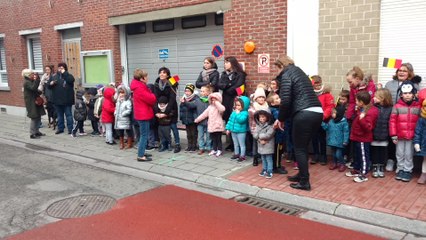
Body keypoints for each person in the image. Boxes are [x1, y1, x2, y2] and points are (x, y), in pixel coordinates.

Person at [273, 56, 323, 191]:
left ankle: (304, 182)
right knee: (303, 146)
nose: (276, 72)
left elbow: (286, 100)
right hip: (317, 112)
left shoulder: (286, 74)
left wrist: (281, 119)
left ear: (281, 66)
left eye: (276, 69)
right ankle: (301, 174)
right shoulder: (299, 72)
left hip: (304, 113)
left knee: (299, 148)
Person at [389, 81, 421, 182]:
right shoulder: (397, 106)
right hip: (399, 135)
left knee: (409, 154)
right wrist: (393, 134)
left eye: (409, 93)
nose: (407, 95)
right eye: (405, 93)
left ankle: (407, 170)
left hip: (412, 136)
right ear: (401, 94)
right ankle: (400, 169)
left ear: (414, 94)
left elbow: (420, 121)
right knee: (399, 153)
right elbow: (392, 121)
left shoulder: (418, 106)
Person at [345, 91, 379, 183]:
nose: (355, 102)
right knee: (357, 155)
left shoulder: (371, 112)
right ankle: (357, 169)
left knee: (363, 156)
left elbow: (368, 127)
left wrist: (361, 119)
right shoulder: (362, 109)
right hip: (357, 136)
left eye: (357, 100)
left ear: (362, 102)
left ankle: (364, 174)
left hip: (363, 138)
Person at [218, 56, 246, 152]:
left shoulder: (240, 74)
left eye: (227, 62)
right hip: (226, 99)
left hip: (235, 99)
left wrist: (228, 87)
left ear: (232, 63)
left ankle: (237, 145)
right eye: (224, 63)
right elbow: (220, 85)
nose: (225, 64)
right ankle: (231, 143)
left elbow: (239, 87)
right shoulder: (223, 74)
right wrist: (229, 85)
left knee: (236, 119)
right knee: (228, 120)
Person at [130, 69, 157, 162]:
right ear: (142, 78)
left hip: (141, 113)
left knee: (143, 134)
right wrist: (152, 93)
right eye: (146, 76)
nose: (147, 78)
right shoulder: (140, 88)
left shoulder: (138, 86)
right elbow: (151, 99)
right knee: (144, 135)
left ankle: (141, 152)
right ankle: (140, 156)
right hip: (143, 114)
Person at [154, 67, 181, 153]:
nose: (161, 74)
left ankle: (177, 144)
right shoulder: (157, 83)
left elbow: (172, 99)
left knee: (173, 127)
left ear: (168, 75)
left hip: (171, 108)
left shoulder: (171, 82)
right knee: (162, 128)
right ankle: (164, 144)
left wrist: (166, 112)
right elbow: (155, 98)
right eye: (160, 72)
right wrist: (157, 111)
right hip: (160, 109)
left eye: (164, 73)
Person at [311, 75, 334, 165]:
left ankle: (323, 156)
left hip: (322, 119)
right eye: (315, 85)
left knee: (322, 138)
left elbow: (330, 107)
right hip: (312, 119)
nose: (317, 87)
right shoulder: (310, 93)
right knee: (314, 138)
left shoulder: (327, 94)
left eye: (318, 84)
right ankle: (316, 155)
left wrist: (323, 116)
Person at [194, 92, 225, 157]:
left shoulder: (219, 107)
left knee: (218, 139)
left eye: (215, 99)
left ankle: (219, 150)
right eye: (212, 99)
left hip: (218, 126)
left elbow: (222, 109)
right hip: (211, 126)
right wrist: (197, 119)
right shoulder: (210, 107)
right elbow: (204, 114)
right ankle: (214, 149)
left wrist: (217, 103)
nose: (213, 101)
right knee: (213, 139)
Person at [47, 62, 75, 134]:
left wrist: (64, 73)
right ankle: (60, 128)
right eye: (59, 68)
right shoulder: (54, 76)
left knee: (68, 115)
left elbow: (71, 80)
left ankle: (70, 129)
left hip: (67, 100)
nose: (60, 69)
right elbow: (48, 86)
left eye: (62, 68)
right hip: (57, 100)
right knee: (59, 115)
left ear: (65, 68)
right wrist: (51, 84)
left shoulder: (68, 76)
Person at [371, 88, 393, 178]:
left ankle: (381, 166)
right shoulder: (373, 107)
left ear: (383, 98)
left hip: (384, 134)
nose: (374, 98)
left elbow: (390, 122)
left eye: (376, 97)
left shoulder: (390, 109)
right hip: (374, 133)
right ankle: (375, 166)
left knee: (382, 151)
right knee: (375, 151)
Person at [321, 105, 349, 172]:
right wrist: (322, 123)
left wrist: (345, 140)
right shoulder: (331, 121)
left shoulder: (344, 123)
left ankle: (342, 164)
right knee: (333, 154)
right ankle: (335, 163)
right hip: (332, 141)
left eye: (334, 113)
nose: (332, 114)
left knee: (338, 154)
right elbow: (327, 128)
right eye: (332, 113)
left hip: (340, 142)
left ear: (339, 113)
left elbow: (346, 132)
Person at [248, 88, 270, 165]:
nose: (261, 99)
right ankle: (255, 157)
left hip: (265, 129)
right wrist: (252, 130)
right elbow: (251, 121)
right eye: (259, 97)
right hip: (256, 129)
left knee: (264, 142)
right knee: (255, 143)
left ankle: (263, 155)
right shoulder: (252, 108)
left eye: (263, 97)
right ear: (256, 98)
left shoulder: (267, 106)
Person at [267, 93, 288, 174]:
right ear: (272, 103)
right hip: (278, 136)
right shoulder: (274, 110)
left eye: (279, 97)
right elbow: (279, 118)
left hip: (280, 134)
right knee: (277, 152)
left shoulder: (277, 109)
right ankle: (276, 167)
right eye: (276, 99)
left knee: (279, 151)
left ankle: (277, 164)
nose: (279, 99)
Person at [23, 69, 46, 139]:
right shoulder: (26, 82)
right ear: (28, 75)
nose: (33, 75)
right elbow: (33, 88)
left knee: (38, 116)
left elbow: (35, 90)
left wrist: (39, 91)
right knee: (34, 117)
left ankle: (37, 131)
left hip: (35, 101)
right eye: (32, 74)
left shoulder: (30, 81)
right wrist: (37, 80)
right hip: (31, 102)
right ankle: (32, 134)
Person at [226, 96, 250, 162]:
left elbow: (241, 120)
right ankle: (236, 154)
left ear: (244, 106)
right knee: (235, 143)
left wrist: (237, 114)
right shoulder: (234, 112)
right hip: (233, 131)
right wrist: (228, 128)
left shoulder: (245, 113)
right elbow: (230, 121)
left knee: (241, 144)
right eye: (236, 105)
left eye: (239, 105)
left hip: (241, 131)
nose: (237, 107)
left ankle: (242, 156)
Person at [253, 110, 275, 179]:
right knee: (263, 158)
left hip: (268, 145)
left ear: (267, 117)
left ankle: (270, 170)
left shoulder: (270, 125)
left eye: (263, 117)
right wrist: (259, 139)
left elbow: (269, 134)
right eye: (260, 117)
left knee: (268, 158)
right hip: (261, 144)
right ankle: (264, 169)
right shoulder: (258, 125)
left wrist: (259, 136)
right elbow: (255, 134)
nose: (261, 119)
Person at [180, 84, 199, 152]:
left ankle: (194, 145)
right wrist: (181, 117)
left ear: (192, 91)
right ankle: (189, 145)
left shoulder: (196, 98)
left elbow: (192, 106)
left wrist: (184, 102)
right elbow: (181, 108)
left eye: (188, 91)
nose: (186, 93)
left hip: (193, 119)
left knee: (193, 133)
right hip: (186, 119)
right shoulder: (184, 98)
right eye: (185, 91)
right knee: (188, 134)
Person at [194, 85, 212, 155]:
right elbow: (193, 108)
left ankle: (209, 147)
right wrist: (185, 102)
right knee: (200, 136)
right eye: (201, 91)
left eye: (203, 91)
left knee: (208, 136)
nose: (201, 92)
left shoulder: (210, 101)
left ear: (208, 92)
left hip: (208, 122)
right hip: (200, 122)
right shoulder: (198, 100)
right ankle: (201, 148)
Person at [114, 85, 133, 149]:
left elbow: (129, 110)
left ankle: (129, 143)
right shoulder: (118, 101)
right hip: (119, 119)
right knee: (120, 132)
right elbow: (116, 108)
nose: (121, 94)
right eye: (120, 93)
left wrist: (123, 114)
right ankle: (121, 143)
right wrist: (115, 112)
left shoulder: (127, 101)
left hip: (125, 119)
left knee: (128, 131)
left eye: (123, 93)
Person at [413, 99, 426, 184]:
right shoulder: (422, 120)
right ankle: (424, 173)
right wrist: (417, 142)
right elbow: (418, 132)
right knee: (425, 160)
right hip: (425, 143)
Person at [40, 65, 57, 129]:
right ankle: (51, 121)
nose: (47, 71)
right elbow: (41, 84)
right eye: (46, 69)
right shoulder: (44, 76)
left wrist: (49, 82)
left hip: (53, 94)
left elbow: (55, 83)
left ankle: (54, 120)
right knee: (49, 108)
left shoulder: (53, 75)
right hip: (47, 94)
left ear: (51, 70)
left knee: (54, 109)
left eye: (48, 69)